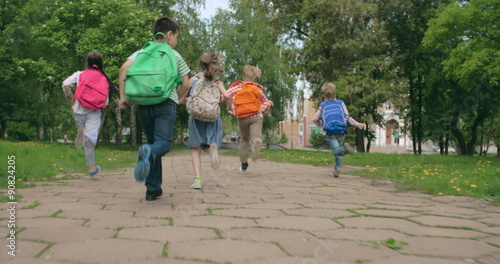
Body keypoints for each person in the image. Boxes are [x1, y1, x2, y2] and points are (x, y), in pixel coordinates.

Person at [118, 17, 190, 201]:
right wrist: (179, 97)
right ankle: (148, 156)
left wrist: (123, 97)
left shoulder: (142, 52)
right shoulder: (173, 54)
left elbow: (123, 69)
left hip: (144, 104)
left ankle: (152, 189)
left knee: (152, 143)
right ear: (169, 34)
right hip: (166, 102)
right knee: (163, 143)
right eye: (176, 37)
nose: (176, 41)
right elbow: (186, 81)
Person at [181, 51, 233, 189]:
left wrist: (183, 100)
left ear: (200, 64)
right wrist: (230, 106)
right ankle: (211, 147)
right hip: (212, 116)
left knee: (196, 149)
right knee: (208, 143)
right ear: (215, 63)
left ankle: (197, 180)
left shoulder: (194, 79)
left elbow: (182, 95)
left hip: (196, 115)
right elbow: (227, 95)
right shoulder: (217, 81)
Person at [62, 51, 109, 178]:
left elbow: (66, 83)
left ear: (87, 63)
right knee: (91, 139)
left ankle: (92, 168)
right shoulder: (103, 77)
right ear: (101, 64)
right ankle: (87, 137)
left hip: (78, 109)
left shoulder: (80, 74)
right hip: (93, 111)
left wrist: (69, 94)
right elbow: (105, 97)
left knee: (87, 141)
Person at [312, 82, 365, 178]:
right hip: (341, 130)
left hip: (330, 132)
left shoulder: (323, 105)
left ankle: (344, 151)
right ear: (335, 93)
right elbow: (347, 117)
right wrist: (357, 124)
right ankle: (337, 170)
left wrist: (320, 124)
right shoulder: (341, 103)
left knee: (336, 151)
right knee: (339, 152)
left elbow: (315, 118)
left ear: (324, 94)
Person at [227, 65, 273, 173]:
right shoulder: (257, 88)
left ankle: (243, 163)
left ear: (243, 75)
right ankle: (256, 142)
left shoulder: (238, 87)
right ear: (256, 78)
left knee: (244, 139)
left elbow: (225, 95)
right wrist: (268, 105)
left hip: (242, 117)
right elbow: (265, 101)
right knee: (255, 137)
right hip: (256, 117)